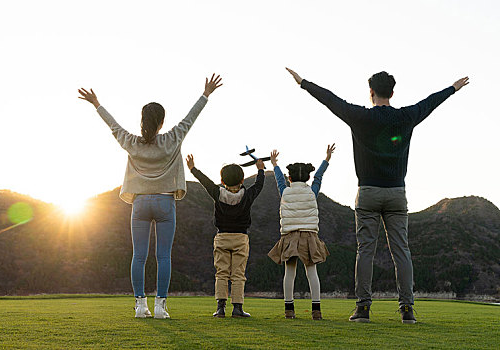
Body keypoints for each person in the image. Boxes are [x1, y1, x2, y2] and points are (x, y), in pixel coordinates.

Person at [286, 67, 469, 324]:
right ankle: (407, 310)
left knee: (366, 252)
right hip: (396, 193)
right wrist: (453, 88)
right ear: (392, 93)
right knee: (401, 251)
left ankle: (362, 309)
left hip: (368, 192)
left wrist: (303, 82)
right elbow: (429, 103)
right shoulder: (406, 116)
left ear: (371, 93)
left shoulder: (359, 116)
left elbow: (331, 100)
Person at [78, 74, 223, 319]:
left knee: (139, 256)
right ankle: (160, 306)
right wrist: (206, 94)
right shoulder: (173, 138)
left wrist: (96, 104)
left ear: (143, 120)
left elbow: (113, 126)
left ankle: (140, 306)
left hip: (140, 204)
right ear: (162, 121)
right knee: (163, 256)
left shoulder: (131, 142)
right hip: (165, 202)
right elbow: (191, 118)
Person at [185, 155, 265, 318]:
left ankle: (220, 308)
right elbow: (259, 185)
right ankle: (237, 308)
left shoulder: (217, 193)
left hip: (221, 237)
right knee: (238, 274)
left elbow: (205, 181)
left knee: (221, 273)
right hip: (240, 238)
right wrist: (260, 170)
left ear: (222, 181)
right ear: (242, 180)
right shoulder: (247, 196)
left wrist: (193, 168)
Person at [267, 145, 335, 320]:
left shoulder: (285, 192)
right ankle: (316, 310)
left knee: (290, 273)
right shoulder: (312, 192)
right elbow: (319, 176)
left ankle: (289, 310)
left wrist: (274, 164)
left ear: (289, 177)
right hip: (309, 235)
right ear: (307, 177)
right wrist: (327, 158)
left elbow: (279, 180)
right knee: (312, 272)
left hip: (289, 235)